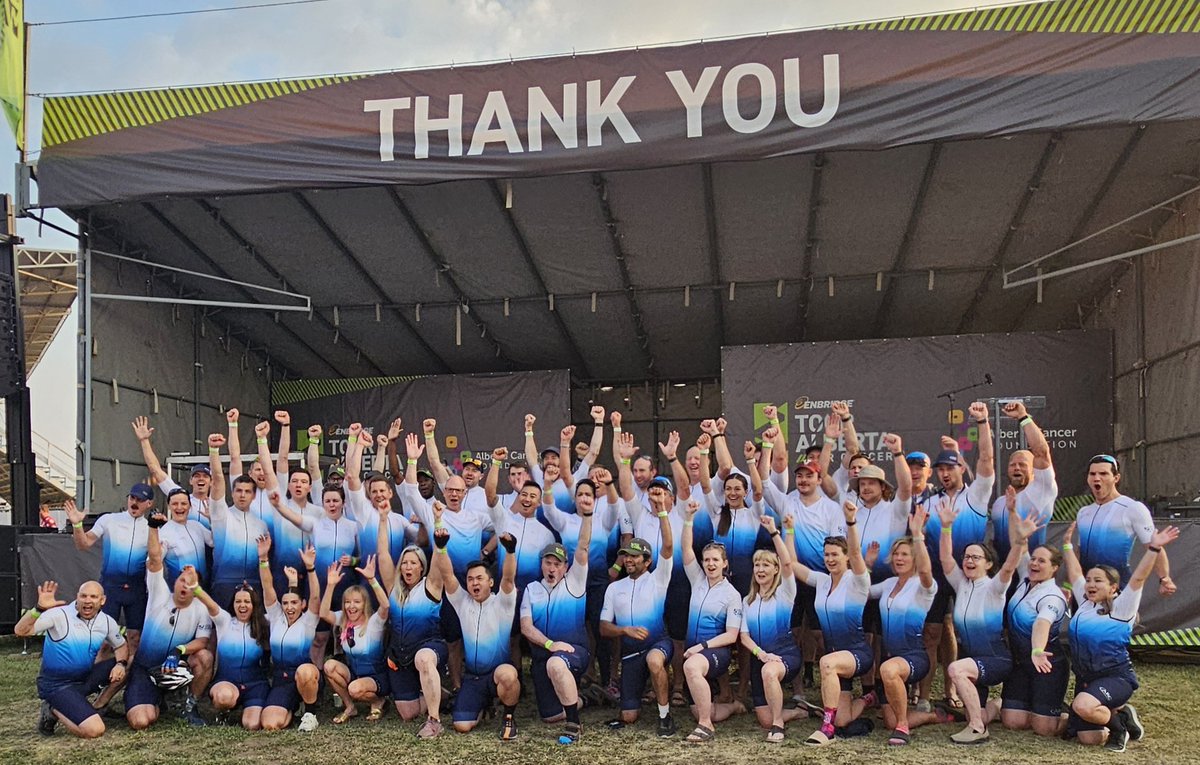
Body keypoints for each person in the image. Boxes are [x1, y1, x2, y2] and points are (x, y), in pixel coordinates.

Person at [1061, 520, 1180, 751]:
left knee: (1083, 706)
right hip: (1087, 678)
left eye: (1098, 581)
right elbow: (1075, 572)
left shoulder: (1122, 607)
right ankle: (1122, 713)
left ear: (1113, 587)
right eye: (1089, 580)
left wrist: (1154, 548)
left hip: (1117, 678)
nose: (1090, 584)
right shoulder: (1085, 602)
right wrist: (1067, 545)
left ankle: (1119, 729)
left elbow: (1138, 578)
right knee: (1088, 738)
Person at [935, 487, 1037, 744]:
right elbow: (945, 558)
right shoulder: (961, 583)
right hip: (974, 661)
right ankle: (996, 706)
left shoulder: (994, 587)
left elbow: (1010, 566)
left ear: (988, 564)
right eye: (966, 557)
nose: (969, 561)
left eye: (976, 557)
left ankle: (978, 729)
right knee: (976, 708)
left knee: (955, 669)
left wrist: (1020, 541)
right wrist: (946, 527)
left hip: (996, 660)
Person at [917, 402, 994, 712]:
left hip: (970, 575)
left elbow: (986, 459)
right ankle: (924, 697)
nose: (945, 473)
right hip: (937, 576)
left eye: (950, 467)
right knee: (931, 634)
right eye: (940, 469)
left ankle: (956, 693)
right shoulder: (928, 501)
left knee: (967, 635)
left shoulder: (976, 495)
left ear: (961, 468)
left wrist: (983, 423)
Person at [762, 439, 847, 695]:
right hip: (791, 580)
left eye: (809, 476)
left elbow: (837, 547)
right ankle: (797, 689)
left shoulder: (832, 509)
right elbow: (764, 482)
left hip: (821, 580)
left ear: (819, 479)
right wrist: (767, 447)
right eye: (799, 476)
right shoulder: (787, 502)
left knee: (822, 636)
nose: (803, 480)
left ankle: (834, 686)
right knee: (793, 634)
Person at [124, 513, 214, 730]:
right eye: (182, 580)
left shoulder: (201, 608)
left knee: (205, 657)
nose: (185, 585)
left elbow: (202, 641)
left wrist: (178, 650)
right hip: (146, 667)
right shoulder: (160, 593)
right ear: (175, 582)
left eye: (191, 584)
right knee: (141, 721)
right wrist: (153, 527)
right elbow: (155, 560)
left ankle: (189, 705)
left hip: (175, 666)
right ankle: (155, 698)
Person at [521, 489, 594, 743]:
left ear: (566, 567)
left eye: (557, 564)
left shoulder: (575, 582)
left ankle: (574, 724)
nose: (552, 568)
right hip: (546, 654)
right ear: (541, 564)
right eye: (548, 563)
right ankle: (587, 699)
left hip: (575, 651)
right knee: (550, 715)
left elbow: (583, 546)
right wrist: (550, 644)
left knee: (556, 664)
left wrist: (587, 515)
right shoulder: (532, 589)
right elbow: (526, 627)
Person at [434, 529, 522, 740]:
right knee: (461, 726)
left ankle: (509, 717)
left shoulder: (503, 602)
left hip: (498, 673)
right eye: (470, 579)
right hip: (473, 677)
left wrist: (510, 551)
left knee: (508, 675)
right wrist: (441, 548)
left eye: (480, 578)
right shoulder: (462, 601)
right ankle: (484, 706)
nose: (474, 583)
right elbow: (447, 575)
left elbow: (508, 578)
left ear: (490, 582)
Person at [15, 580, 129, 738]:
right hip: (57, 684)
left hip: (84, 678)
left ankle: (98, 706)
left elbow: (121, 646)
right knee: (95, 730)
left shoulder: (106, 621)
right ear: (77, 597)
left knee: (130, 663)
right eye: (83, 596)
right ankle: (52, 708)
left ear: (102, 600)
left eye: (93, 597)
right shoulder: (58, 615)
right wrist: (38, 609)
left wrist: (120, 664)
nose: (87, 600)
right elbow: (21, 631)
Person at [599, 508, 676, 736]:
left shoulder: (658, 579)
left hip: (658, 643)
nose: (628, 560)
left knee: (654, 660)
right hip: (631, 653)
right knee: (628, 717)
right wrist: (625, 630)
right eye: (626, 555)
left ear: (648, 560)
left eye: (634, 556)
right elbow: (603, 628)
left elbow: (668, 547)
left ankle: (665, 716)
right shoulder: (614, 588)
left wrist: (662, 513)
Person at [377, 500, 448, 737]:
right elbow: (382, 554)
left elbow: (439, 555)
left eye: (413, 563)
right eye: (404, 563)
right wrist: (383, 519)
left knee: (424, 659)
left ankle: (434, 721)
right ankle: (437, 692)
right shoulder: (393, 588)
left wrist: (437, 520)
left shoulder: (431, 585)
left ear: (421, 568)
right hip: (400, 654)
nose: (408, 567)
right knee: (408, 713)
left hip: (429, 646)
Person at [268, 484, 361, 665]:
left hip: (345, 585)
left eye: (335, 501)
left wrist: (353, 560)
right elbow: (294, 517)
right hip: (319, 585)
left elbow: (363, 557)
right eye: (328, 501)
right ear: (323, 503)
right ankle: (315, 673)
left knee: (348, 634)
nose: (332, 505)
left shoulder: (353, 527)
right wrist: (278, 505)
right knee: (319, 637)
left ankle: (348, 673)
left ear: (343, 503)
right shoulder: (315, 524)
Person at [677, 499, 745, 742]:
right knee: (700, 708)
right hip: (695, 651)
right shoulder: (697, 579)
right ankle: (732, 707)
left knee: (691, 667)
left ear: (724, 563)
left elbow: (732, 636)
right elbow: (686, 549)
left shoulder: (732, 595)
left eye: (715, 560)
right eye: (706, 560)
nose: (710, 564)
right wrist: (688, 518)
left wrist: (701, 646)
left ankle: (705, 726)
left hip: (717, 653)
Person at [869, 507, 938, 746]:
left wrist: (917, 534)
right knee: (887, 719)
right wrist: (867, 565)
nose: (899, 558)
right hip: (890, 658)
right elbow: (860, 592)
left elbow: (926, 570)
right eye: (896, 554)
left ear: (915, 558)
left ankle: (903, 727)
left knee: (888, 670)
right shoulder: (888, 584)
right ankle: (932, 716)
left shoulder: (924, 586)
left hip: (914, 657)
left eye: (905, 554)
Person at [737, 516, 808, 742]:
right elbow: (744, 637)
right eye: (757, 565)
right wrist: (761, 654)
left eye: (766, 565)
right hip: (762, 658)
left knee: (769, 672)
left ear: (776, 569)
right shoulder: (747, 600)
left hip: (786, 656)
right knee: (764, 719)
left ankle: (778, 726)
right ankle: (799, 712)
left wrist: (775, 533)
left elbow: (788, 564)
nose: (760, 569)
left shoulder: (784, 593)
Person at [65, 488, 153, 659]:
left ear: (149, 504)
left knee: (135, 639)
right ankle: (96, 674)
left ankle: (129, 674)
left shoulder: (151, 528)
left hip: (136, 589)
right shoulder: (109, 520)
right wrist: (77, 525)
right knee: (105, 641)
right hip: (111, 587)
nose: (134, 503)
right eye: (132, 498)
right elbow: (83, 544)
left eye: (140, 500)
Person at [1000, 537, 1070, 738]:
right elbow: (1020, 545)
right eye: (1033, 559)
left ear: (1054, 568)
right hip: (1021, 663)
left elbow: (1042, 623)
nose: (1034, 563)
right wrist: (1018, 526)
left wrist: (1038, 650)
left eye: (1041, 561)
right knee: (1013, 722)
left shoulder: (1053, 597)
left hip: (1047, 665)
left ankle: (1074, 717)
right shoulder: (1026, 579)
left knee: (1044, 729)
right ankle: (1032, 706)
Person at [1076, 454, 1174, 593]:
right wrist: (1070, 585)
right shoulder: (1084, 512)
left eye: (1103, 473)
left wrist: (1164, 579)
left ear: (1116, 478)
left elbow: (1154, 546)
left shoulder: (1133, 508)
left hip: (1118, 588)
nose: (1097, 478)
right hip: (1086, 590)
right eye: (1092, 474)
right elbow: (1079, 552)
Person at [256, 536, 322, 732]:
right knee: (270, 724)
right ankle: (294, 707)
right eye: (285, 603)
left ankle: (310, 713)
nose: (289, 607)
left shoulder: (308, 620)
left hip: (305, 675)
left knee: (305, 671)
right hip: (281, 679)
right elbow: (267, 586)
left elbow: (315, 596)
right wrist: (263, 558)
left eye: (294, 603)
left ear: (302, 604)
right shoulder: (276, 617)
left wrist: (310, 568)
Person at [319, 556, 390, 723]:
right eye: (347, 602)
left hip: (377, 678)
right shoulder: (344, 620)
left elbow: (386, 606)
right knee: (329, 666)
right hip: (355, 675)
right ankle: (350, 707)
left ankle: (379, 701)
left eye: (357, 602)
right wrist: (330, 585)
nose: (351, 606)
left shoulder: (374, 622)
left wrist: (372, 580)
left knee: (354, 688)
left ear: (364, 604)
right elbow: (323, 613)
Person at [988, 401, 1058, 561]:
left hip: (1031, 569)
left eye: (1022, 464)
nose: (1017, 468)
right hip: (1003, 571)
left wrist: (1023, 417)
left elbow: (1041, 452)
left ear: (1034, 470)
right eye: (1012, 465)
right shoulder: (999, 503)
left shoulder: (1041, 492)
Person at [203, 583, 272, 730]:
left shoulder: (264, 623)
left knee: (252, 725)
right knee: (224, 698)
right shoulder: (225, 621)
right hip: (227, 681)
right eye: (238, 601)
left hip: (255, 684)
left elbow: (275, 604)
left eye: (247, 601)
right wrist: (195, 588)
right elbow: (211, 605)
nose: (242, 605)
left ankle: (247, 709)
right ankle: (224, 712)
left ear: (254, 605)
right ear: (233, 604)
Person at [208, 454, 271, 608]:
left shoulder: (261, 525)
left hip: (254, 583)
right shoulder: (221, 516)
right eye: (239, 491)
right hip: (224, 583)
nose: (242, 495)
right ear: (232, 493)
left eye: (247, 491)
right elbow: (217, 480)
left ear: (254, 495)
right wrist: (214, 451)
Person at [133, 415, 216, 527]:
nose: (201, 479)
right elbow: (155, 470)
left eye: (205, 476)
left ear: (211, 482)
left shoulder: (217, 504)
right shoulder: (180, 496)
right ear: (190, 480)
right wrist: (144, 440)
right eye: (196, 476)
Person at [157, 486, 214, 587]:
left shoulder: (196, 526)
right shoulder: (164, 533)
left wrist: (212, 519)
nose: (179, 507)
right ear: (168, 506)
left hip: (203, 588)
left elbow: (214, 542)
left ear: (190, 506)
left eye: (183, 503)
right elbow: (154, 562)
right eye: (175, 504)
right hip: (181, 590)